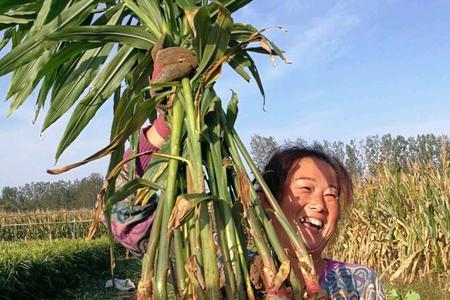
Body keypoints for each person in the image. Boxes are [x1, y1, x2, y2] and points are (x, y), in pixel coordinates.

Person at [260, 147, 386, 299]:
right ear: (267, 201)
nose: (320, 205)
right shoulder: (231, 270)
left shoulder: (360, 282)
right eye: (306, 188)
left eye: (331, 195)